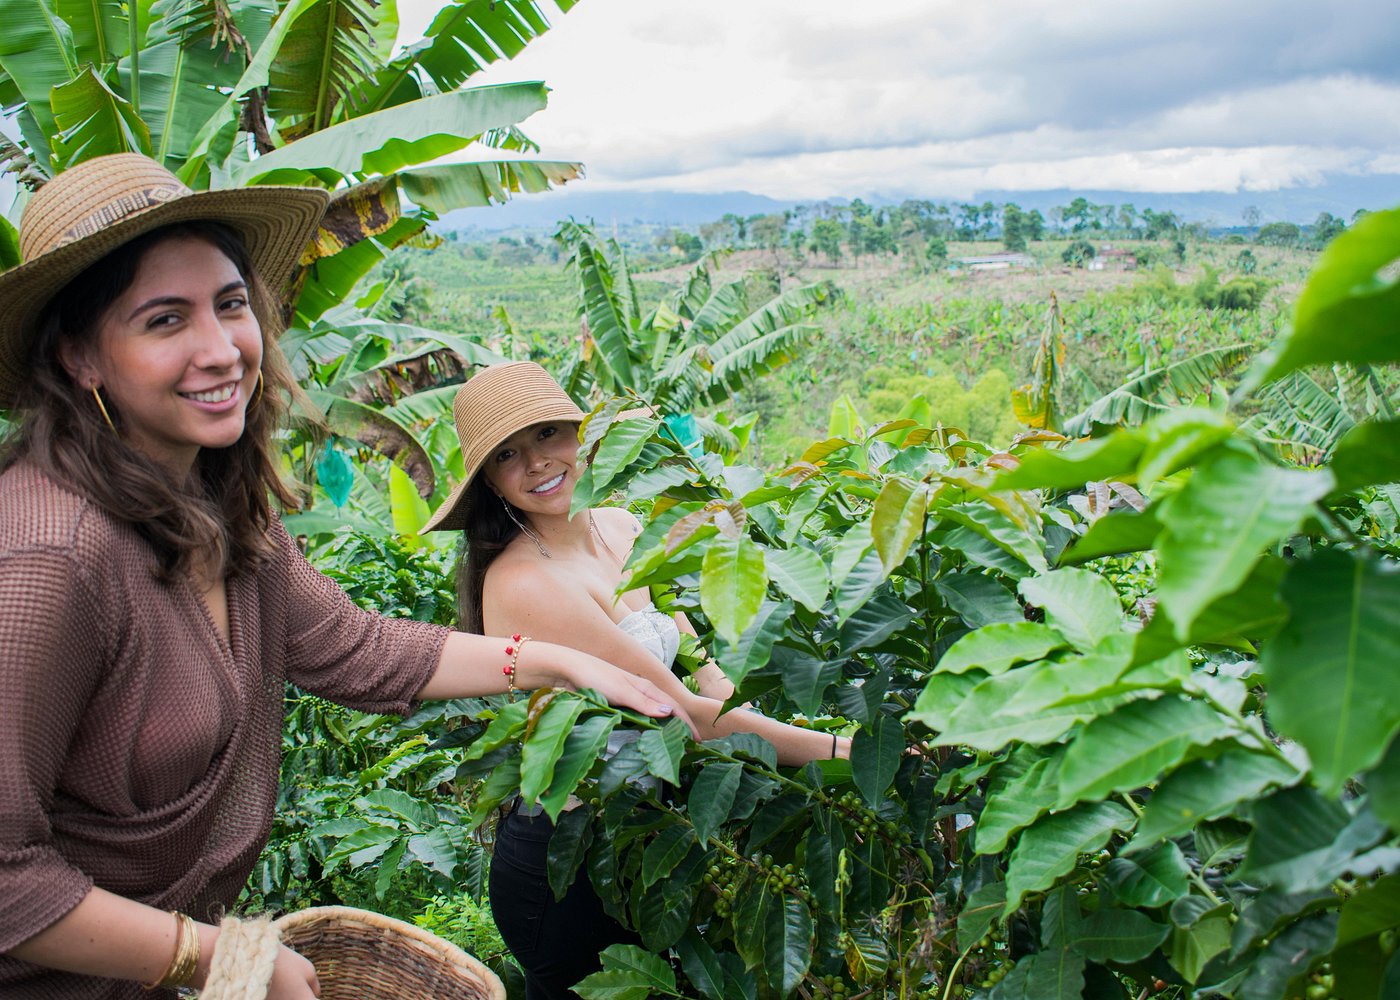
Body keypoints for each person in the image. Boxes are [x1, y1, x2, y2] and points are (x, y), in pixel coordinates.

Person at [0, 154, 690, 1000]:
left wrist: (555, 661)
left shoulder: (220, 510)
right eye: (163, 321)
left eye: (230, 305)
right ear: (80, 358)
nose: (221, 351)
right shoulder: (47, 558)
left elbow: (356, 648)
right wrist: (224, 959)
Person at [421, 361, 850, 1000]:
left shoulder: (620, 527)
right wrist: (844, 753)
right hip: (565, 865)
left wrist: (798, 734)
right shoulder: (522, 582)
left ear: (580, 433)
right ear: (488, 480)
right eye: (509, 454)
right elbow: (681, 714)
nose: (537, 463)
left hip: (639, 834)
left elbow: (703, 672)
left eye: (547, 435)